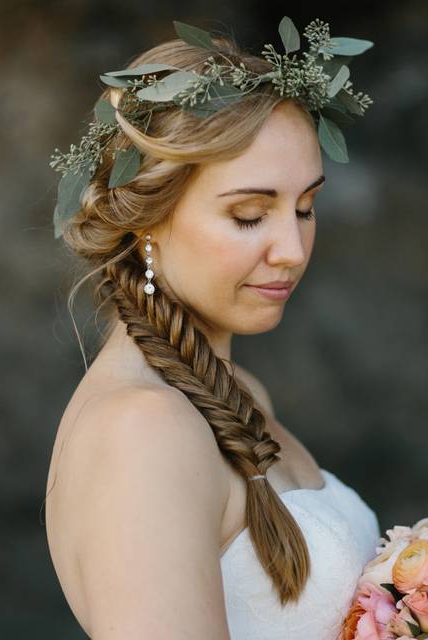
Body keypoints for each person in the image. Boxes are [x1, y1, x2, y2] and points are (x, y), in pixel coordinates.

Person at [42, 19, 380, 639]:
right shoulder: (142, 432)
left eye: (305, 208)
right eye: (250, 216)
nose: (292, 249)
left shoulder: (237, 392)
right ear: (147, 218)